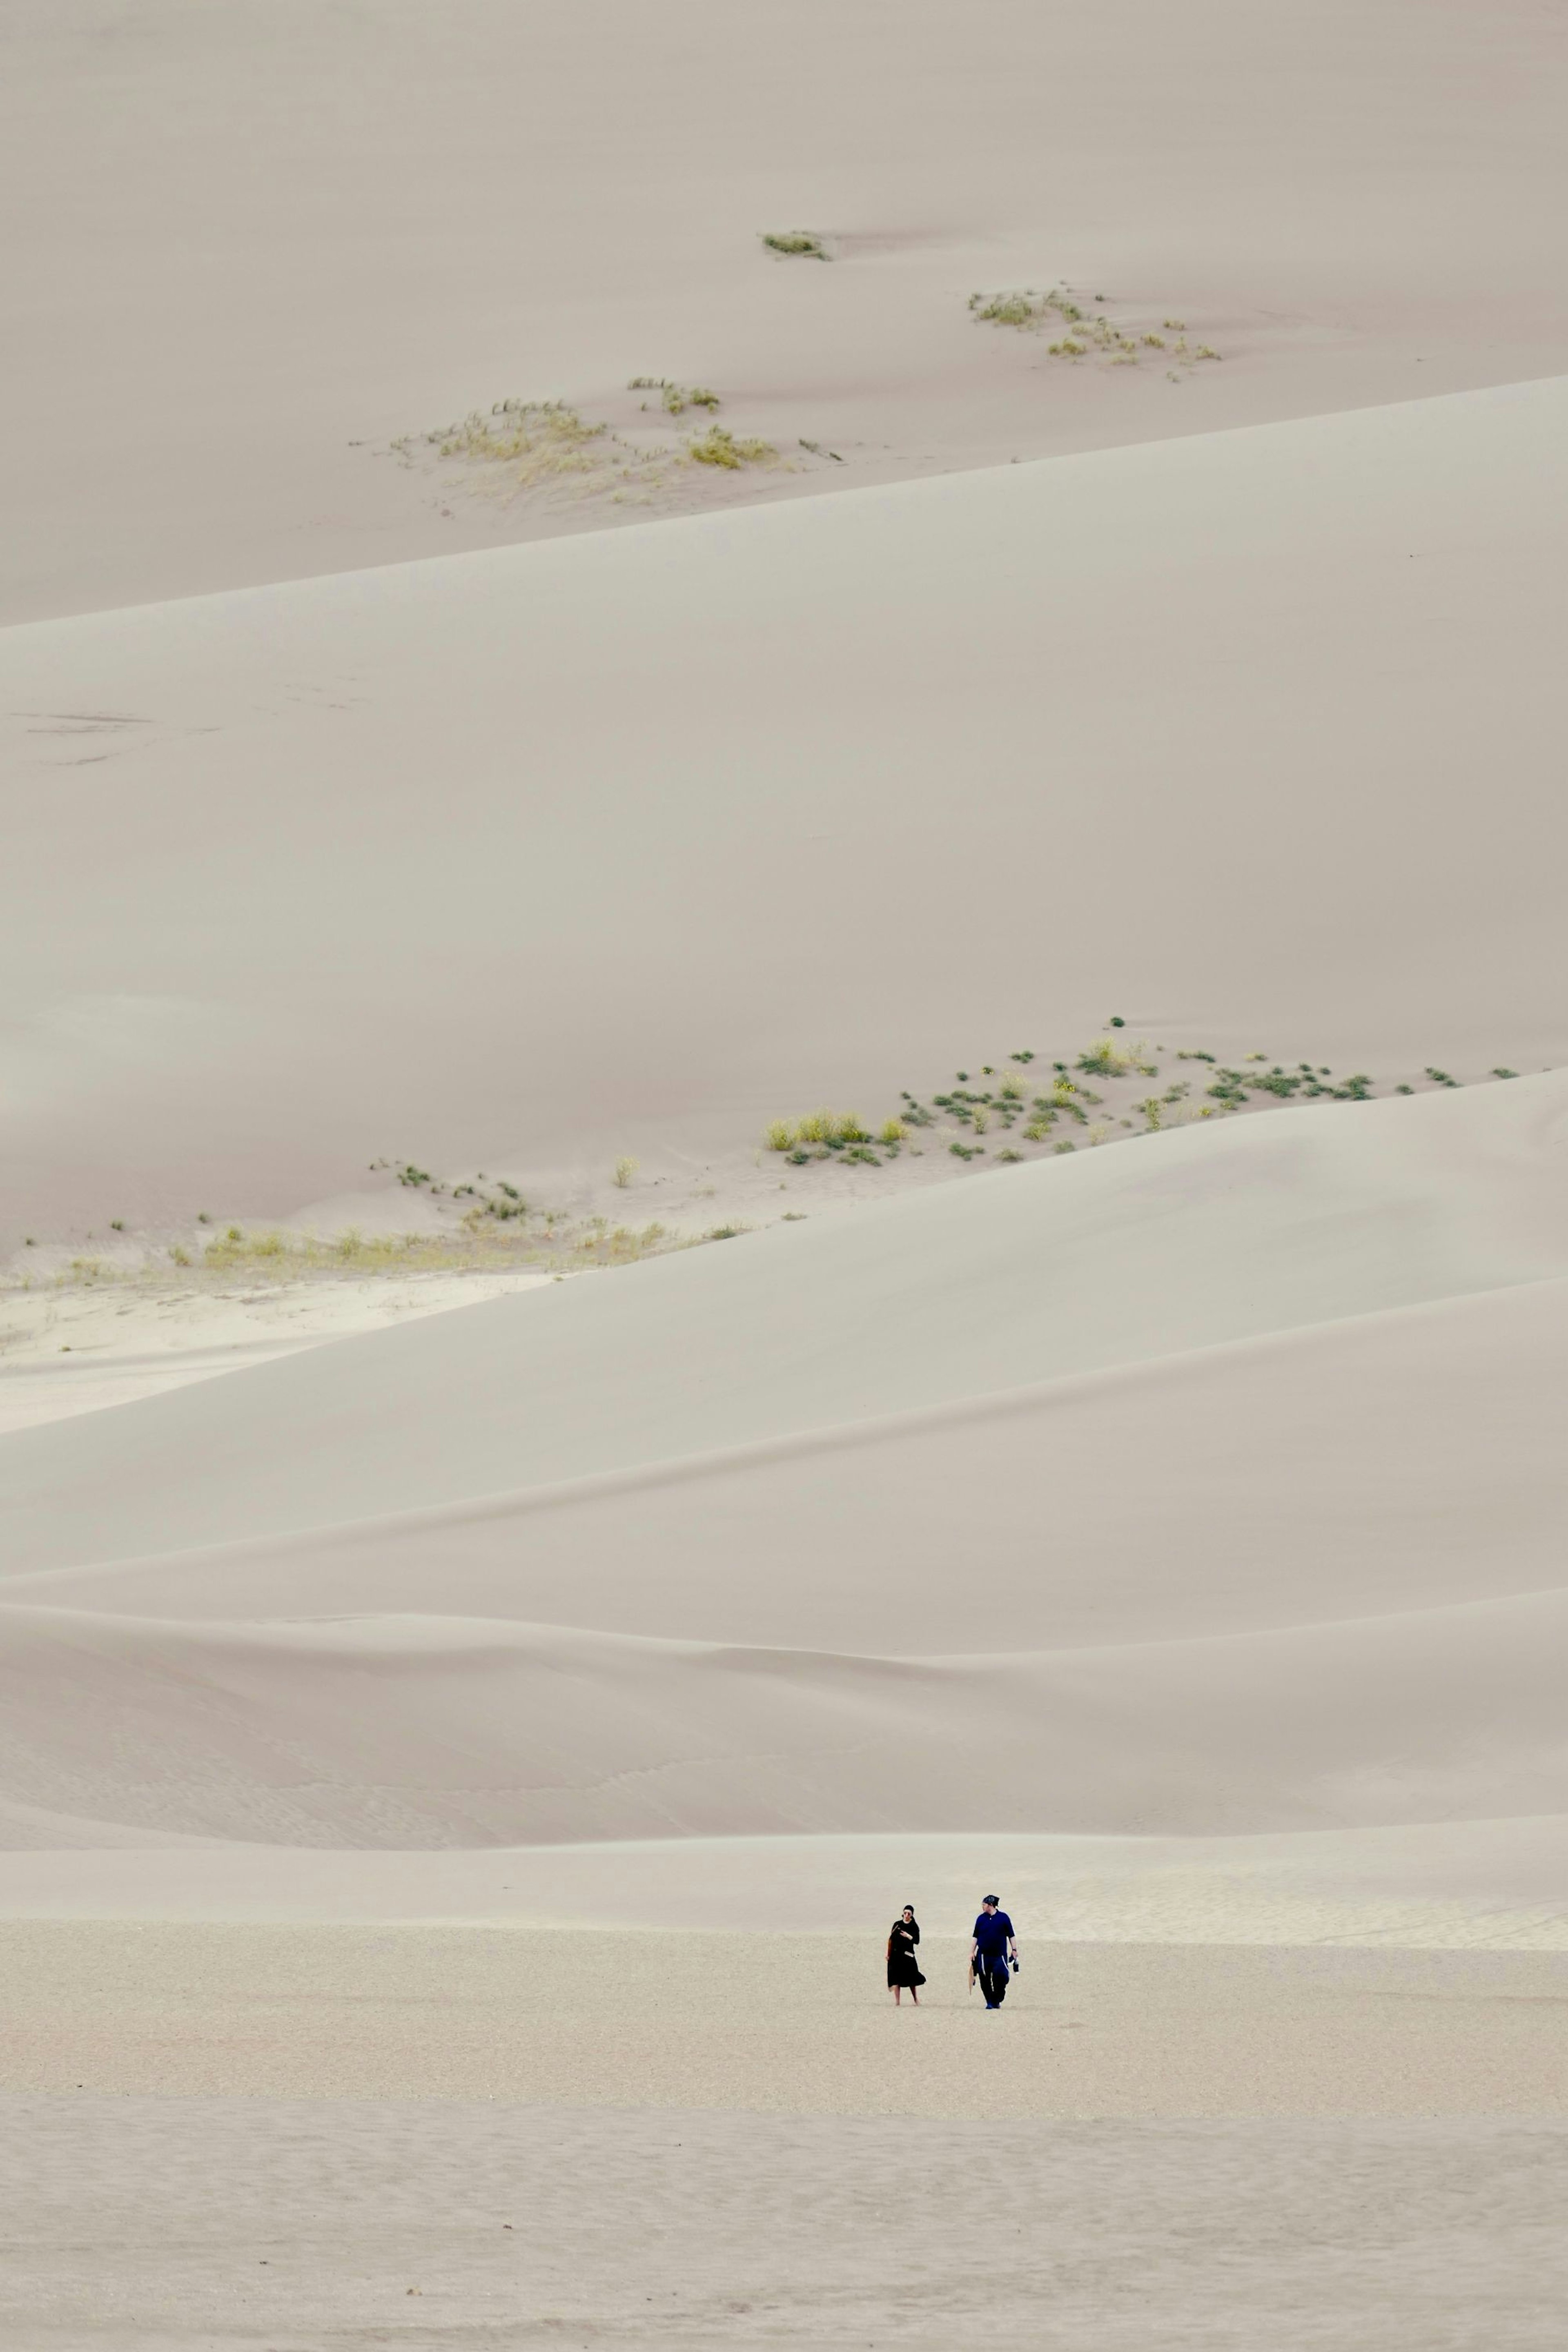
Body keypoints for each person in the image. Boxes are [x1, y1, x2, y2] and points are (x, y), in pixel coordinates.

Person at [969, 1895, 1018, 2009]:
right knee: (984, 1979)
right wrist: (972, 1952)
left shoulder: (1004, 1918)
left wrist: (1014, 1950)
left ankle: (998, 1997)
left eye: (984, 1905)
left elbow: (1011, 1935)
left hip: (999, 1955)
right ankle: (990, 2002)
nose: (982, 1907)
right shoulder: (981, 1919)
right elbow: (975, 1937)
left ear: (991, 1905)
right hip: (983, 1955)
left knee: (1001, 1976)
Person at [886, 1905, 925, 2005]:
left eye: (909, 1914)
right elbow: (891, 1940)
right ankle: (897, 2002)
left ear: (912, 1915)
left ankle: (916, 1999)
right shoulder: (898, 1924)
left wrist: (908, 1936)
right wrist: (889, 1954)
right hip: (896, 1955)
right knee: (896, 1979)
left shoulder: (914, 1926)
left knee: (912, 1978)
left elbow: (917, 1941)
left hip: (908, 1955)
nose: (907, 1915)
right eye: (905, 1913)